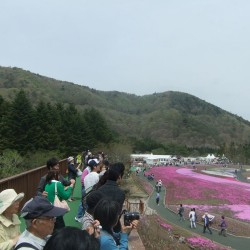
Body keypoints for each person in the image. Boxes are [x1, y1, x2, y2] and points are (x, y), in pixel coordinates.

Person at [97, 163, 126, 233]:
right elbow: (117, 214)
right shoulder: (121, 193)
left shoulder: (99, 189)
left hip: (99, 226)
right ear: (119, 176)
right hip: (114, 229)